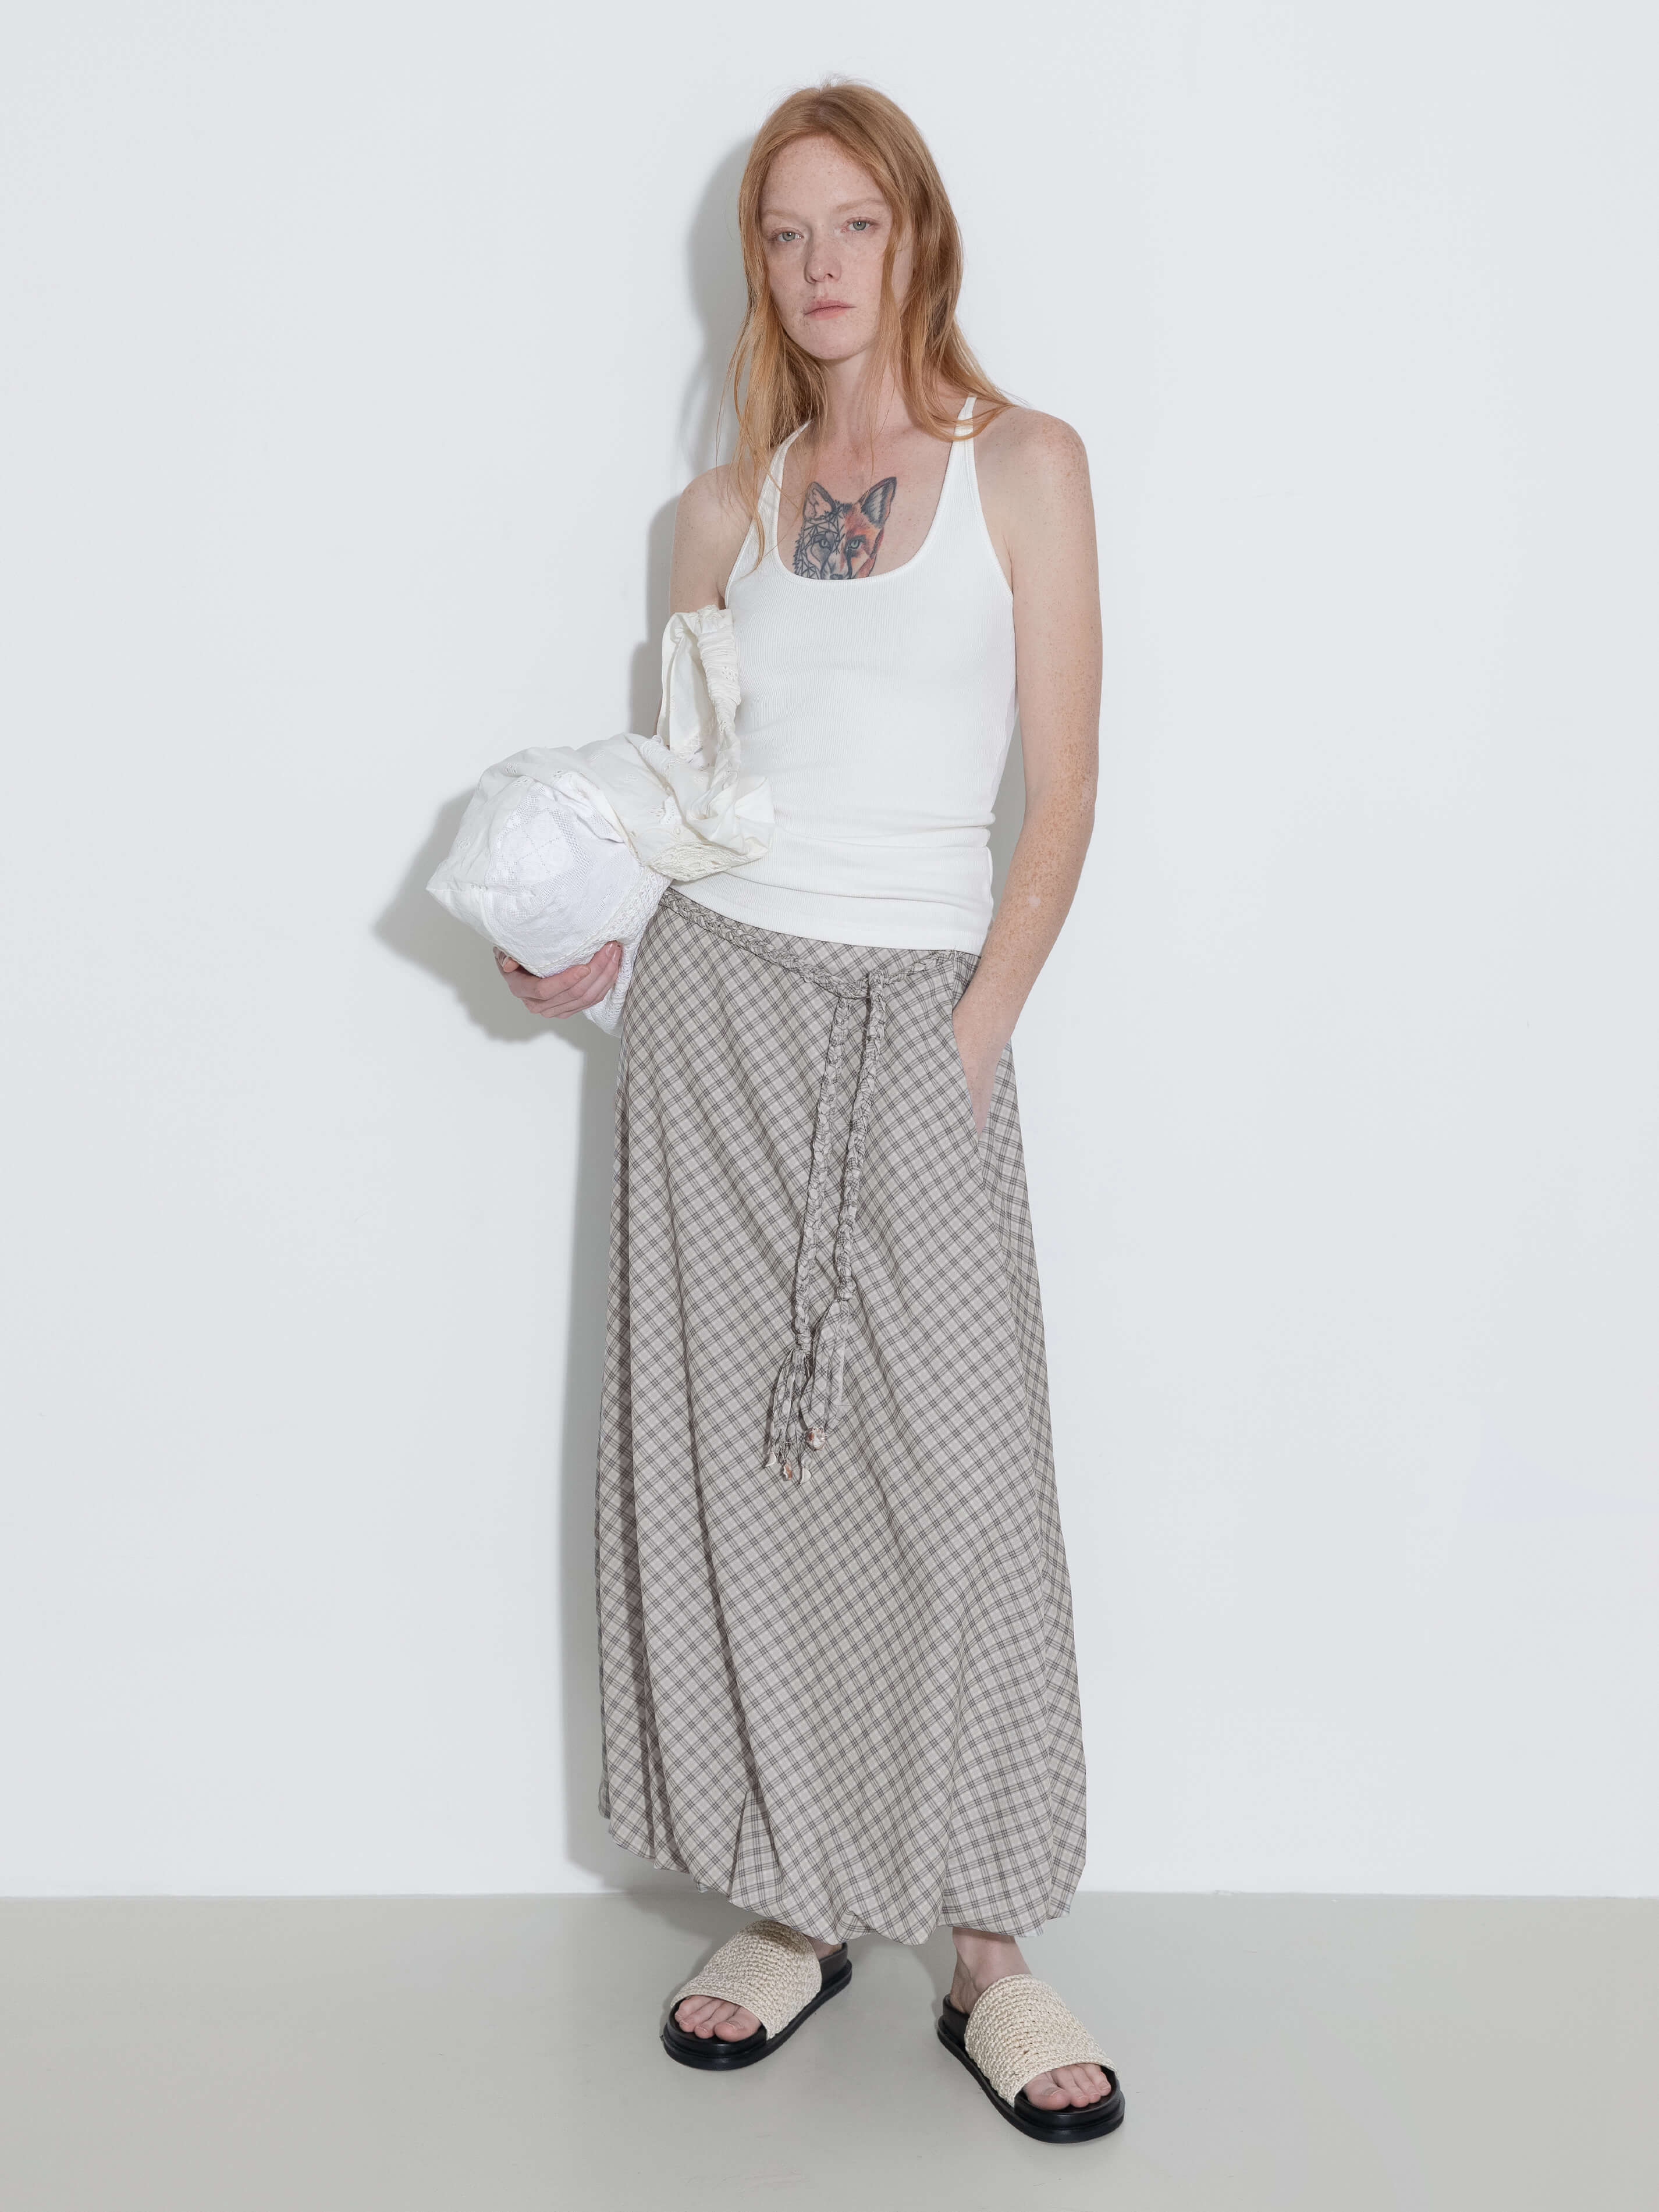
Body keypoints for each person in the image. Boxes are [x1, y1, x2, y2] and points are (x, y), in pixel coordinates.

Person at [495, 80, 1119, 2145]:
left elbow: (1061, 791)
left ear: (917, 236)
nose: (820, 263)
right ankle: (789, 1897)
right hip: (714, 1024)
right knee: (741, 1478)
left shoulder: (1023, 463)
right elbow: (688, 802)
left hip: (915, 1012)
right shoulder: (718, 514)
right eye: (784, 232)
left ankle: (987, 1942)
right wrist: (587, 950)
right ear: (754, 265)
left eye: (855, 222)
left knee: (956, 1481)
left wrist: (971, 1036)